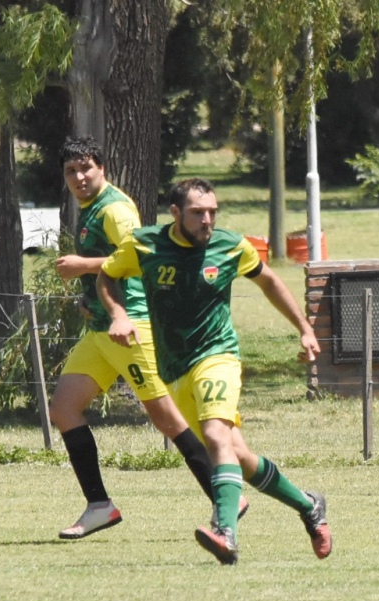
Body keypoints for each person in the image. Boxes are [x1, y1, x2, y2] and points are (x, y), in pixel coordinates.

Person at [97, 177, 331, 565]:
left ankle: (225, 532)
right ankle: (309, 505)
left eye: (212, 212)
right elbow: (108, 275)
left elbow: (269, 281)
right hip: (173, 368)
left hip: (217, 355)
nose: (207, 220)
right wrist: (118, 315)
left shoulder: (230, 246)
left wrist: (305, 330)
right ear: (175, 213)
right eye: (197, 213)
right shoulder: (144, 244)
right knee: (235, 454)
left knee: (214, 433)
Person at [50, 137, 243, 540]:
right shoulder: (89, 208)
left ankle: (226, 497)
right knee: (64, 407)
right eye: (71, 171)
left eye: (86, 168)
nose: (79, 177)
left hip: (131, 327)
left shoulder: (117, 209)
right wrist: (92, 300)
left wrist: (84, 267)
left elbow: (144, 258)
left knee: (168, 419)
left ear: (102, 168)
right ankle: (99, 505)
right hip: (102, 329)